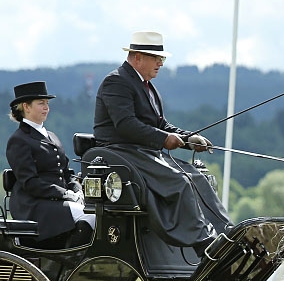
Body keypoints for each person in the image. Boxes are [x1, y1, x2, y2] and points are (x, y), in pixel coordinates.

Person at [93, 31, 231, 252]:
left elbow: (161, 124)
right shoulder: (116, 81)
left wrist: (187, 139)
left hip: (144, 154)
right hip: (122, 153)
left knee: (197, 178)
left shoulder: (147, 86)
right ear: (137, 57)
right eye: (156, 58)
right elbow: (126, 124)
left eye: (162, 58)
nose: (160, 63)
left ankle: (226, 235)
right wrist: (164, 139)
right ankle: (204, 244)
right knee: (181, 181)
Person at [6, 81, 95, 248]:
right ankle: (71, 263)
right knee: (90, 216)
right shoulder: (18, 140)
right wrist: (65, 194)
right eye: (41, 103)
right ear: (26, 107)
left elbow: (67, 172)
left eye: (47, 103)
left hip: (58, 203)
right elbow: (30, 183)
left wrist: (76, 189)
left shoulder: (52, 136)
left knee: (97, 214)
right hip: (34, 206)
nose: (46, 107)